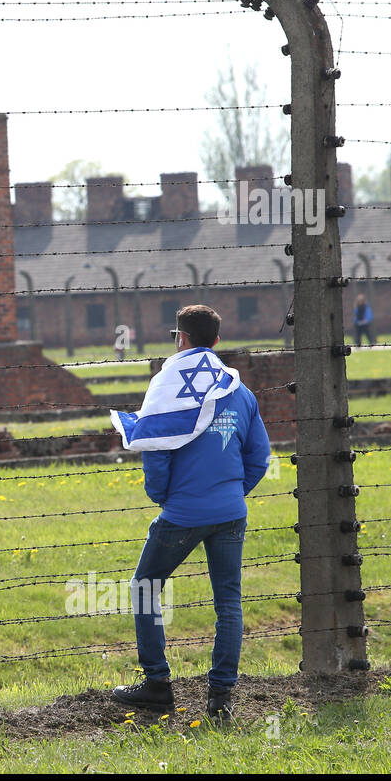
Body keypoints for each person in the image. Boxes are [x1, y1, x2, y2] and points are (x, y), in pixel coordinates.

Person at [107, 305, 271, 720]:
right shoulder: (241, 392)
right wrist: (232, 493)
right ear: (216, 341)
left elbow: (156, 448)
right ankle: (220, 700)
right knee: (228, 602)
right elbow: (260, 457)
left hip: (182, 513)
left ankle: (158, 685)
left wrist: (164, 498)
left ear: (179, 338)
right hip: (231, 511)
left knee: (145, 587)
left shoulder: (167, 388)